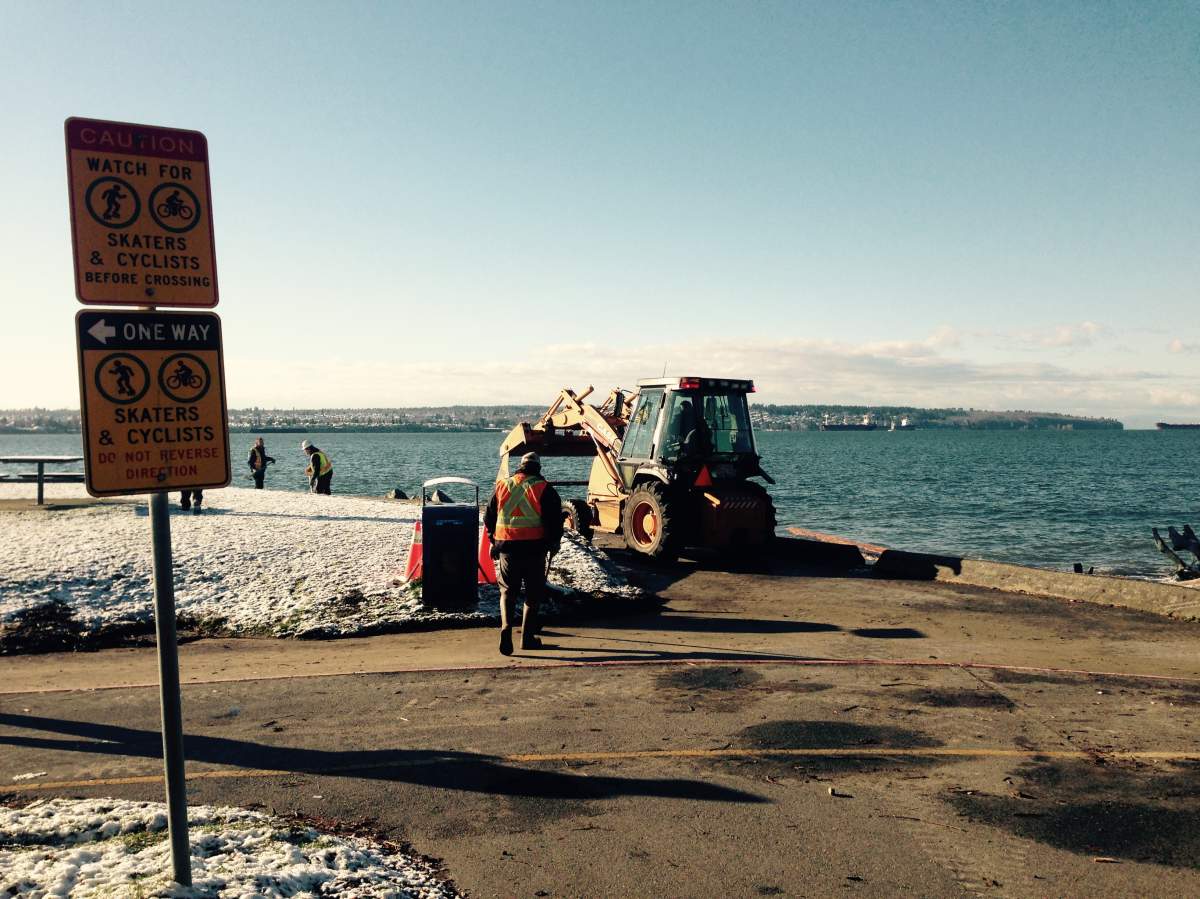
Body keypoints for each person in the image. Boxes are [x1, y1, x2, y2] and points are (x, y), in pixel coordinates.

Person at [484, 452, 563, 655]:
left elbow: (489, 516)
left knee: (508, 592)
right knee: (533, 593)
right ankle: (527, 638)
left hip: (507, 548)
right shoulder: (544, 488)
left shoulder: (502, 486)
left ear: (520, 466)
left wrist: (494, 540)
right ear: (538, 468)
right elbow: (555, 520)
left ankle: (506, 627)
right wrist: (554, 543)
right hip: (534, 549)